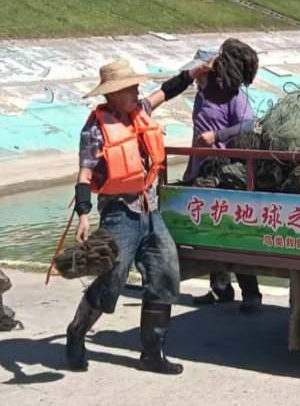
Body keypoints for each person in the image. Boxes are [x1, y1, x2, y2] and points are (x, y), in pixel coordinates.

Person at [66, 56, 214, 374]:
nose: (136, 91)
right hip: (120, 214)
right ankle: (76, 333)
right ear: (113, 94)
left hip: (151, 210)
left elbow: (167, 90)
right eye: (129, 88)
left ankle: (152, 353)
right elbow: (83, 175)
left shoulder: (142, 110)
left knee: (165, 273)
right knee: (111, 282)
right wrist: (83, 215)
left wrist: (194, 73)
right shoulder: (95, 128)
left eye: (135, 86)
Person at [183, 40, 262, 312]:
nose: (196, 80)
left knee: (233, 234)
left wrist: (217, 137)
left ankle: (251, 293)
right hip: (201, 172)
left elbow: (248, 124)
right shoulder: (201, 96)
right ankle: (220, 289)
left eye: (200, 74)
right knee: (210, 232)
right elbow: (197, 135)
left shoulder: (233, 95)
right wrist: (189, 170)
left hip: (226, 174)